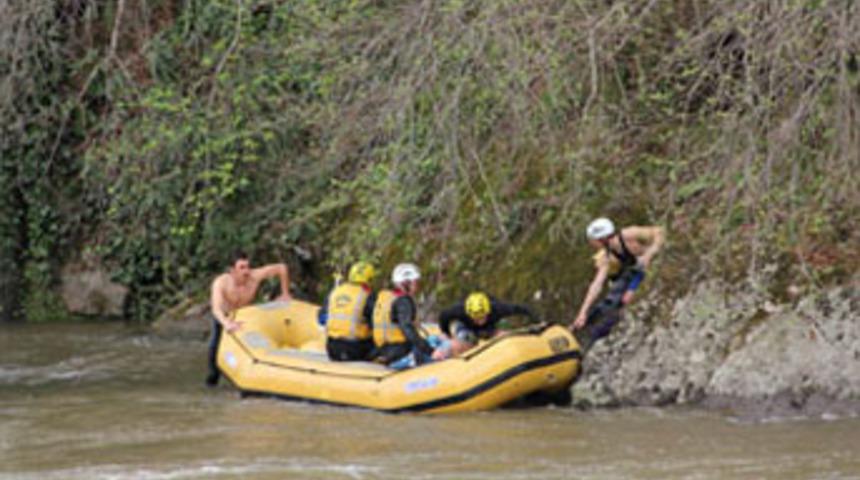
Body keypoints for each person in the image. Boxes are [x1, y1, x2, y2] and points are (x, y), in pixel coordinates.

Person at [571, 218, 665, 350]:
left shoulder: (629, 234)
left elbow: (659, 232)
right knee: (614, 294)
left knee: (626, 298)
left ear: (601, 239)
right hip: (634, 271)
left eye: (592, 240)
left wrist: (649, 254)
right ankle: (588, 326)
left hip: (648, 267)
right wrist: (583, 312)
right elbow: (596, 285)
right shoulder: (607, 256)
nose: (591, 244)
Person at [206, 251, 291, 387]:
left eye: (247, 267)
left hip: (245, 316)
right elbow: (216, 309)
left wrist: (285, 293)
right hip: (224, 318)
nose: (246, 271)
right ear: (232, 270)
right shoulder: (221, 283)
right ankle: (212, 381)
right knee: (214, 352)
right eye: (242, 268)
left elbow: (282, 268)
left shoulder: (254, 276)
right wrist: (226, 323)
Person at [371, 263, 435, 368]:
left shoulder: (385, 297)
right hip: (400, 351)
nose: (417, 286)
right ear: (406, 283)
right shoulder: (403, 301)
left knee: (432, 339)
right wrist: (430, 351)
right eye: (415, 283)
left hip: (383, 349)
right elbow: (407, 329)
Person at [437, 292, 538, 357]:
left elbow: (521, 309)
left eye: (482, 317)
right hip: (467, 328)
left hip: (489, 328)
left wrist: (536, 321)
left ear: (488, 312)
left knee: (504, 335)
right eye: (476, 318)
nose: (479, 321)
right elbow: (444, 317)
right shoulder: (459, 310)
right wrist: (446, 333)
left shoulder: (498, 309)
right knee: (464, 340)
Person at [320, 261, 377, 361]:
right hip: (355, 349)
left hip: (332, 348)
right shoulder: (367, 296)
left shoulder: (335, 292)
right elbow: (376, 323)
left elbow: (321, 318)